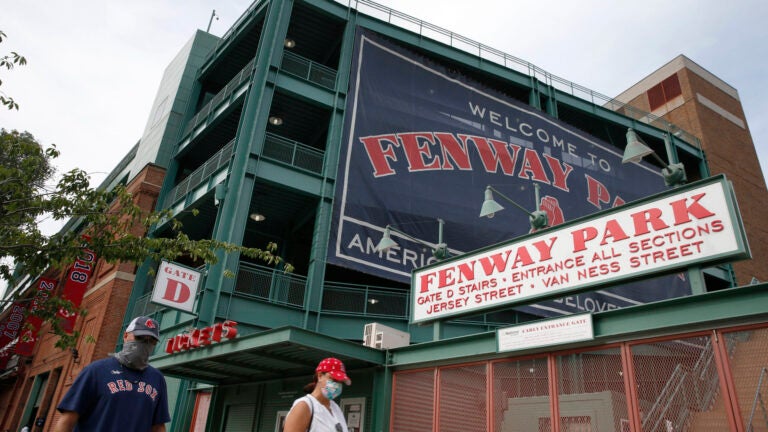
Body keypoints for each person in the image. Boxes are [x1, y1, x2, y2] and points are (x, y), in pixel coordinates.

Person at [53, 316, 170, 432]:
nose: (144, 344)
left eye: (151, 341)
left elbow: (158, 427)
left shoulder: (157, 378)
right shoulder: (96, 371)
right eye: (139, 338)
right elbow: (66, 422)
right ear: (125, 336)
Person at [284, 357, 351, 432]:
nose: (337, 385)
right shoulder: (304, 406)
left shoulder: (336, 408)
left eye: (340, 382)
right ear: (320, 376)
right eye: (334, 379)